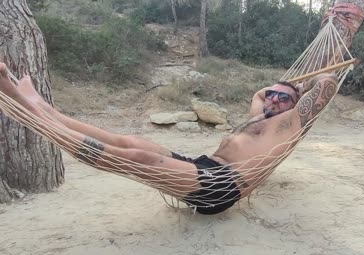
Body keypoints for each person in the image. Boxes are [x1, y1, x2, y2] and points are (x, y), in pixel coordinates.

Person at [0, 63, 337, 214]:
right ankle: (41, 107)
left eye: (284, 99)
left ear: (297, 106)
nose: (274, 100)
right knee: (129, 140)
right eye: (273, 96)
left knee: (138, 159)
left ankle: (34, 118)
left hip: (221, 186)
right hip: (203, 166)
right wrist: (284, 88)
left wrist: (302, 89)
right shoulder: (259, 115)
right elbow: (260, 91)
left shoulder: (289, 126)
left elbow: (328, 84)